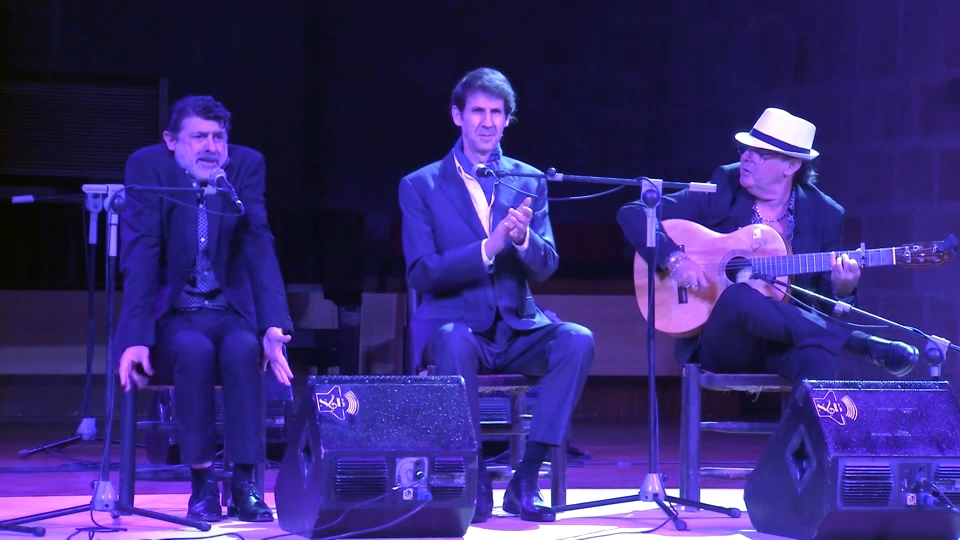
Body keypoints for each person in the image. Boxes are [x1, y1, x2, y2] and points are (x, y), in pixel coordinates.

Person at [399, 67, 594, 523]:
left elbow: (546, 267)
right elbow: (422, 273)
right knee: (452, 340)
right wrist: (488, 249)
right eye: (478, 112)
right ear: (457, 116)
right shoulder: (421, 185)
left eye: (497, 113)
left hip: (519, 327)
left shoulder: (528, 180)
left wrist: (524, 241)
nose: (488, 122)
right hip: (457, 327)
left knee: (577, 339)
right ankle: (475, 476)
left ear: (508, 120)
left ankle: (526, 478)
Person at [617, 107, 919, 385]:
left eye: (760, 153)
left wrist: (843, 292)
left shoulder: (825, 214)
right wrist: (674, 259)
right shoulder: (724, 186)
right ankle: (858, 343)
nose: (747, 157)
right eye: (746, 149)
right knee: (739, 296)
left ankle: (795, 446)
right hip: (727, 342)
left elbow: (825, 307)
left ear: (791, 165)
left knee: (818, 359)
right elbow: (632, 212)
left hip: (784, 344)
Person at [115, 95, 295, 523]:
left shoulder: (244, 168)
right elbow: (141, 253)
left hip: (228, 309)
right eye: (198, 137)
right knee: (194, 352)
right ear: (171, 141)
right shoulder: (149, 168)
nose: (210, 147)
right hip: (174, 312)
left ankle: (246, 484)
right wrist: (136, 338)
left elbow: (258, 244)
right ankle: (201, 486)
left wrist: (273, 326)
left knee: (240, 349)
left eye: (218, 137)